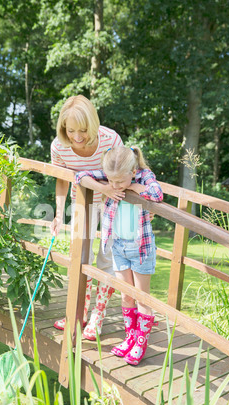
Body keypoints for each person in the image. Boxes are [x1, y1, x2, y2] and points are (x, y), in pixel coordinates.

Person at [75, 146, 163, 365]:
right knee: (126, 295)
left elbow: (157, 194)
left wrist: (133, 187)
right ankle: (130, 339)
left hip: (140, 248)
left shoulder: (143, 176)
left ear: (133, 171)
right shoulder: (111, 176)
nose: (115, 185)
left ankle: (141, 343)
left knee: (142, 297)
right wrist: (103, 188)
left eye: (119, 182)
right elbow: (80, 176)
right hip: (119, 247)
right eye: (111, 181)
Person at [50, 95, 124, 340]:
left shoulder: (111, 140)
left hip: (113, 202)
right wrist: (59, 214)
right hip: (82, 201)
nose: (77, 137)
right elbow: (61, 180)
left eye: (83, 130)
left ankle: (97, 318)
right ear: (63, 127)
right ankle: (78, 313)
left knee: (108, 258)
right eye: (71, 130)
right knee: (80, 257)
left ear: (92, 125)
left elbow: (122, 174)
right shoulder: (59, 147)